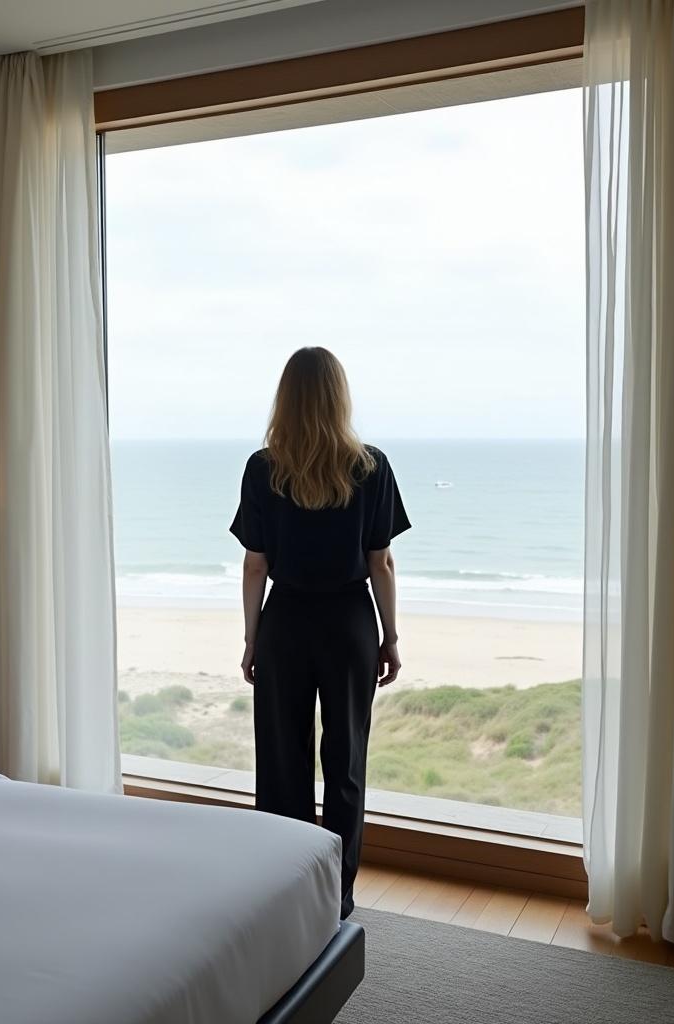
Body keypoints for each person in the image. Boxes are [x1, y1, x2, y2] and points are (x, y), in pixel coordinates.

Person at [229, 346, 411, 918]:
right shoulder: (371, 466)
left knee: (282, 760)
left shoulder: (264, 468)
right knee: (346, 761)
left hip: (286, 621)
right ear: (340, 397)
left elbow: (255, 564)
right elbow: (379, 562)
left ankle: (284, 890)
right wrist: (391, 635)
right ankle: (339, 895)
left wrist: (252, 637)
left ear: (286, 397)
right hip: (349, 621)